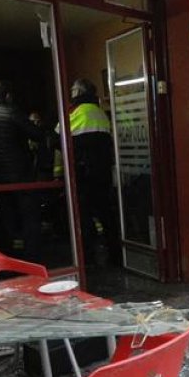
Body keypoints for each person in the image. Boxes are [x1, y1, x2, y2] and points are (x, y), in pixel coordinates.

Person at [0, 80, 51, 263]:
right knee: (30, 216)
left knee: (7, 215)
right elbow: (36, 134)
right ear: (6, 96)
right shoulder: (10, 111)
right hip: (19, 173)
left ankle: (9, 256)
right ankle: (33, 258)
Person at [67, 79, 122, 265]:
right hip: (102, 172)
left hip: (84, 173)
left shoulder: (78, 112)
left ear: (79, 92)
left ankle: (87, 257)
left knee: (84, 215)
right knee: (106, 213)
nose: (71, 92)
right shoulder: (100, 113)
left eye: (73, 89)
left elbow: (57, 135)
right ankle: (115, 254)